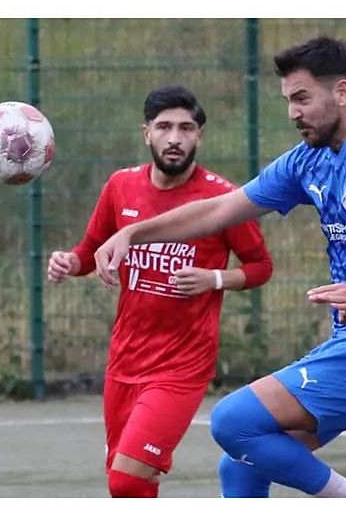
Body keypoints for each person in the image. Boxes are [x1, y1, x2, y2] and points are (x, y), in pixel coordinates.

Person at [93, 36, 346, 498]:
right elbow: (219, 210)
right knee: (241, 464)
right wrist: (131, 234)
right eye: (287, 101)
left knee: (234, 422)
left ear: (342, 93)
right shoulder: (310, 160)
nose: (293, 112)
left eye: (302, 98)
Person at [47, 85, 273, 498]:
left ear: (199, 136)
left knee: (128, 478)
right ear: (146, 133)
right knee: (129, 487)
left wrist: (215, 279)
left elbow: (261, 267)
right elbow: (89, 251)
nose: (175, 138)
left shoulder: (223, 199)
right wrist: (69, 262)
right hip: (125, 359)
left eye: (186, 128)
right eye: (164, 127)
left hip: (181, 364)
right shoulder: (121, 186)